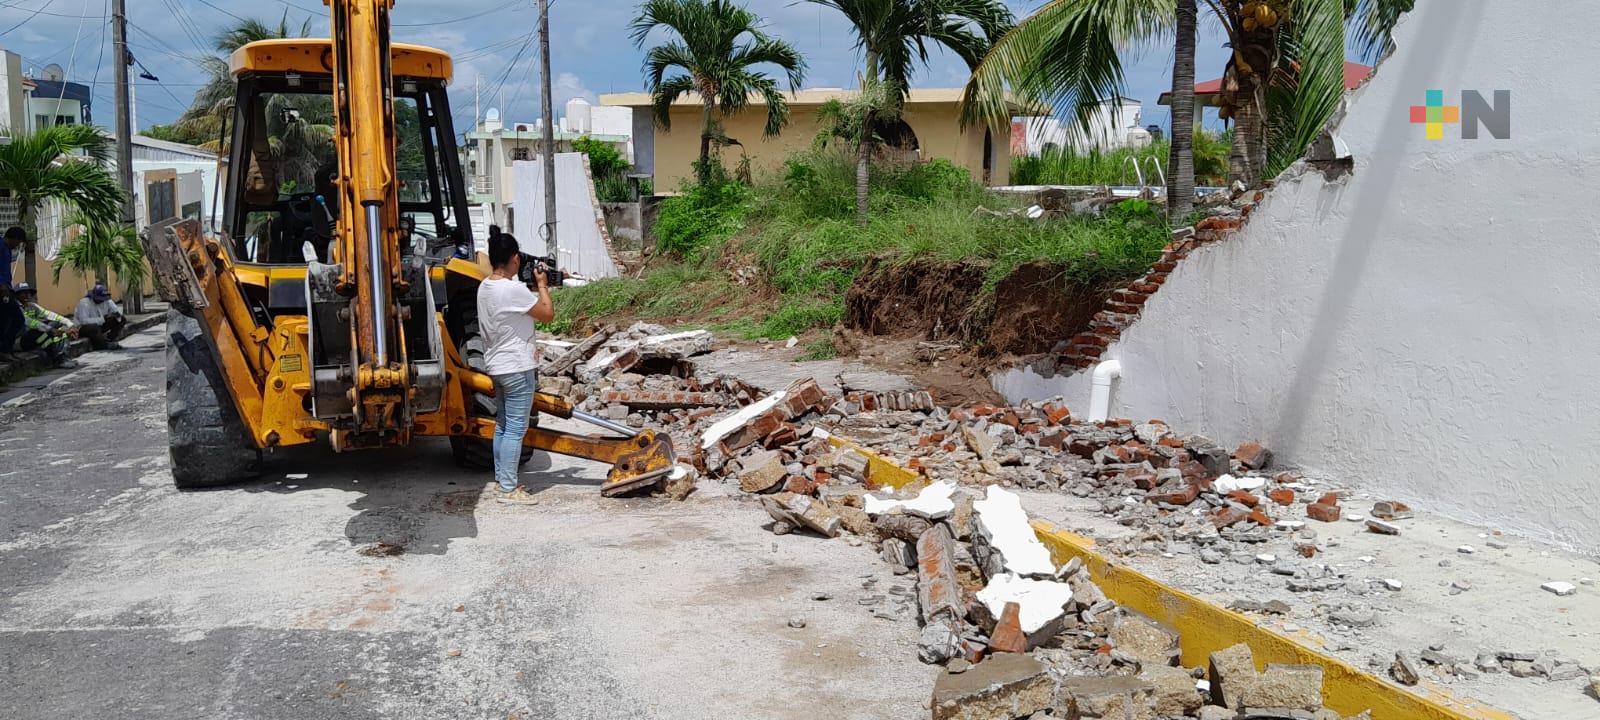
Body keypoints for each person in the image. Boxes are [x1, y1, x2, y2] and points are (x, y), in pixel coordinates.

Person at [476, 228, 554, 503]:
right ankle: (509, 490)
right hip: (518, 367)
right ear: (515, 259)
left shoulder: (485, 287)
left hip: (497, 366)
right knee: (516, 429)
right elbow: (547, 314)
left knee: (503, 425)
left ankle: (501, 479)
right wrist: (542, 284)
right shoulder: (514, 289)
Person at [15, 283, 78, 369]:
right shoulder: (15, 308)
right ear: (17, 295)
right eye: (23, 293)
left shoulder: (32, 306)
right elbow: (29, 322)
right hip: (21, 340)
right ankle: (57, 359)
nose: (27, 295)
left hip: (35, 336)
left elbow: (49, 314)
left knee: (58, 324)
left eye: (28, 292)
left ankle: (63, 355)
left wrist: (70, 324)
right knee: (41, 333)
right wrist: (50, 329)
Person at [74, 283, 126, 350]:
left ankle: (109, 338)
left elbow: (116, 311)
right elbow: (83, 321)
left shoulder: (107, 300)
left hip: (100, 325)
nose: (101, 301)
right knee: (94, 327)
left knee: (122, 319)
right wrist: (102, 319)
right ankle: (103, 345)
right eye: (99, 299)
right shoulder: (84, 303)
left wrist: (115, 315)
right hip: (84, 328)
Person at [0, 227, 24, 360]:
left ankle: (5, 350)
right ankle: (5, 349)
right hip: (2, 289)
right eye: (18, 242)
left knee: (4, 320)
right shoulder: (1, 246)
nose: (17, 246)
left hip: (6, 288)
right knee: (18, 318)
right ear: (14, 238)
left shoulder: (7, 249)